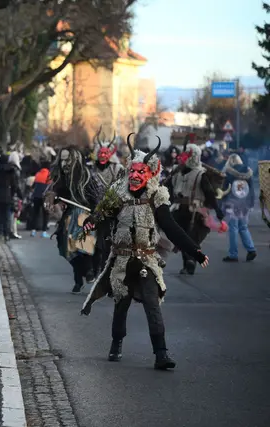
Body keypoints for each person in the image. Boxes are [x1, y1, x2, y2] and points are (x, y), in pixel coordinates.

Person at [81, 135, 209, 370]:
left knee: (152, 303)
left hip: (146, 260)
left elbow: (172, 228)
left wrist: (195, 252)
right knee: (121, 304)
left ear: (150, 173)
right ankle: (116, 343)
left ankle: (161, 353)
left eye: (141, 172)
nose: (135, 175)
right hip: (121, 260)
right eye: (133, 171)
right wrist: (91, 221)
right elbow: (101, 213)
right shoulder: (118, 193)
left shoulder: (156, 196)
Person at [168, 138, 226, 275]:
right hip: (178, 210)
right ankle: (188, 262)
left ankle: (190, 261)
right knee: (182, 238)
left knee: (192, 238)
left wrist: (217, 210)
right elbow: (168, 189)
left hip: (196, 212)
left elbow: (209, 193)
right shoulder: (176, 172)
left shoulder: (201, 174)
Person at [49, 146, 102, 293]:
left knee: (83, 245)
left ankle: (88, 271)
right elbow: (57, 192)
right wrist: (52, 196)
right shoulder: (62, 176)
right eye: (62, 160)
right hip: (70, 214)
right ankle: (79, 278)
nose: (64, 164)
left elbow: (95, 198)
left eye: (68, 160)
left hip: (86, 215)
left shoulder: (86, 176)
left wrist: (95, 215)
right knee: (67, 247)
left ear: (75, 159)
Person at [89, 128, 124, 276]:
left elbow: (122, 188)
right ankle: (93, 268)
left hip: (111, 210)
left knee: (106, 241)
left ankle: (106, 269)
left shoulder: (117, 168)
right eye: (100, 153)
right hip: (94, 209)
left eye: (105, 153)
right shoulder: (91, 169)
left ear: (110, 154)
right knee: (92, 240)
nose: (102, 156)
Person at [221, 154, 256, 262]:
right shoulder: (248, 172)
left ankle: (233, 254)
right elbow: (251, 190)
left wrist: (222, 204)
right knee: (243, 227)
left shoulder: (228, 173)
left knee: (233, 229)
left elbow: (224, 190)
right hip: (244, 203)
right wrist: (251, 203)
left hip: (232, 203)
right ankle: (251, 249)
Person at [0, 153, 22, 241]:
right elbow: (14, 185)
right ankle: (6, 234)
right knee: (6, 216)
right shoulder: (11, 170)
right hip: (7, 194)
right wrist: (13, 194)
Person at [30, 160, 52, 237]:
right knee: (46, 214)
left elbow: (33, 186)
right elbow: (50, 187)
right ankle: (44, 232)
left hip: (36, 196)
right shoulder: (49, 175)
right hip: (45, 197)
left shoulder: (38, 174)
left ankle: (33, 231)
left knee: (35, 213)